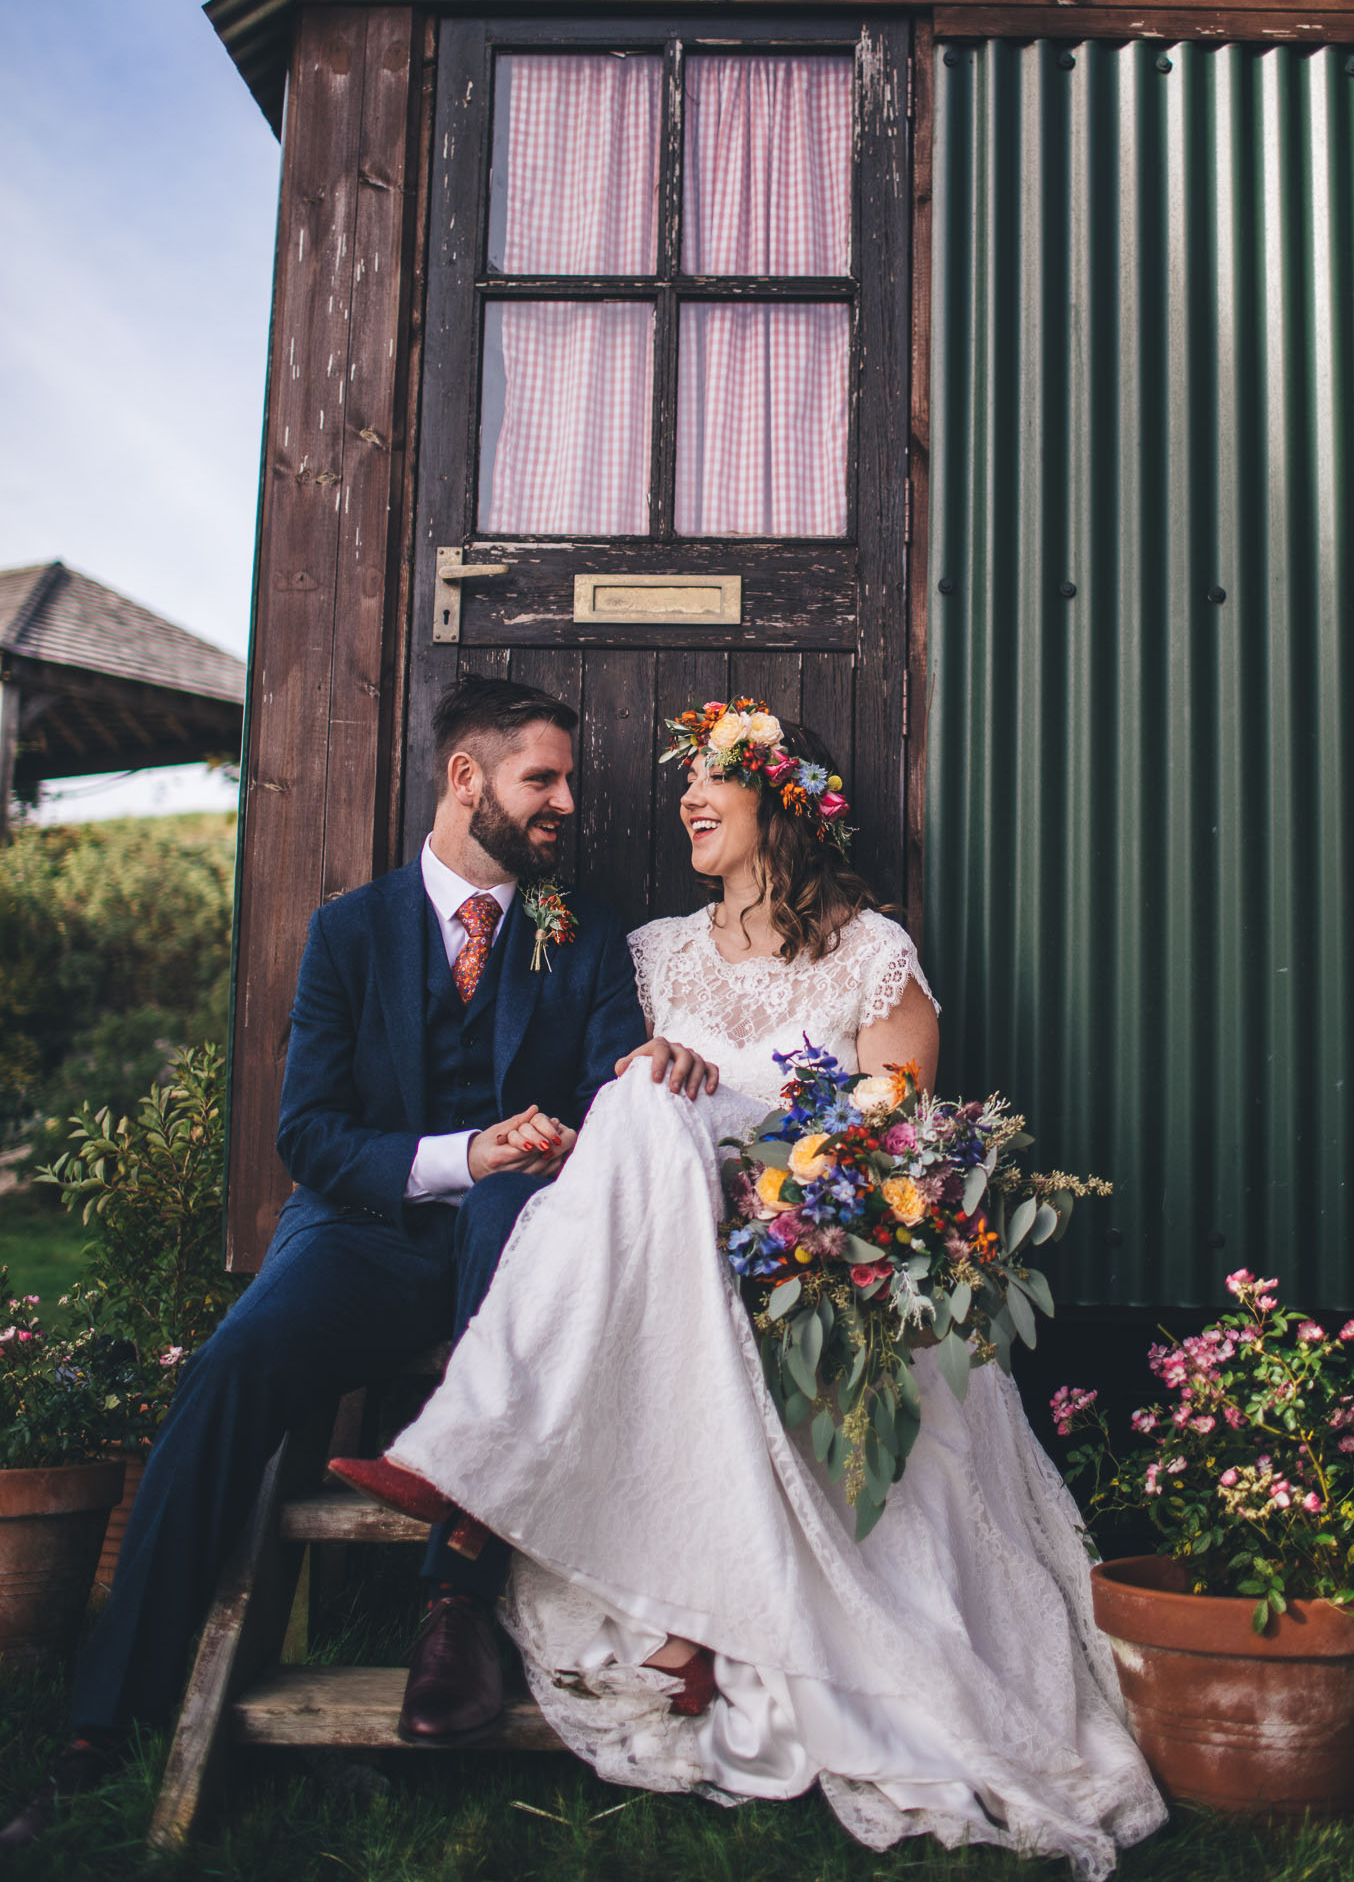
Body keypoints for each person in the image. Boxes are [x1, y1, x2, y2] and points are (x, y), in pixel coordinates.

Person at [335, 699, 1167, 1878]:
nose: (686, 797)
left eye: (711, 778)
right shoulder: (655, 952)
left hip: (796, 1240)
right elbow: (603, 1095)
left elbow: (896, 1145)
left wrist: (780, 1206)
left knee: (649, 1104)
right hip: (656, 1233)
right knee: (638, 1095)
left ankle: (475, 1468)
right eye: (687, 779)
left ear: (784, 801)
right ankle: (534, 1492)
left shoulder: (871, 956)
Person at [0, 676, 709, 1854]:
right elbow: (311, 1134)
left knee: (507, 1213)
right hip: (363, 1232)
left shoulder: (580, 937)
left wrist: (630, 1087)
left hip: (521, 1248)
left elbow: (605, 1089)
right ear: (466, 778)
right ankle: (100, 1720)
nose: (567, 804)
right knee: (232, 1370)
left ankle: (453, 1609)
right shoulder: (349, 931)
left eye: (569, 782)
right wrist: (459, 1152)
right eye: (545, 778)